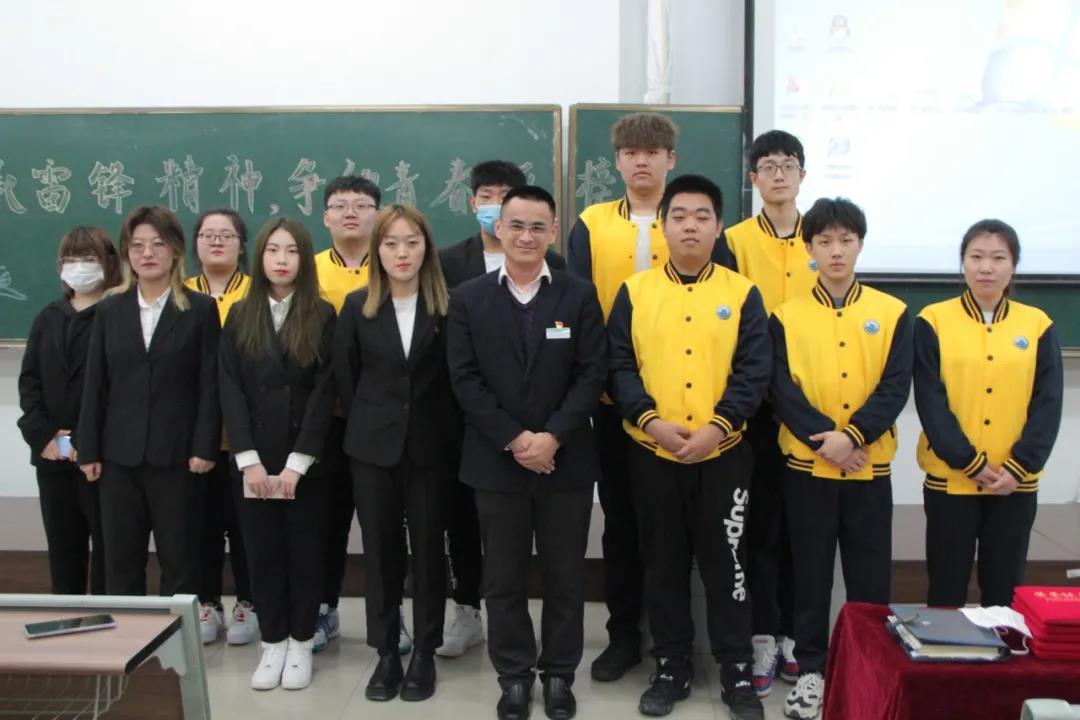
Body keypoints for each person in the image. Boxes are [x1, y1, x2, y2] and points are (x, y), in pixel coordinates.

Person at [608, 174, 769, 720]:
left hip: (724, 454)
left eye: (702, 216)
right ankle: (671, 665)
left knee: (729, 563)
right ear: (663, 226)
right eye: (678, 216)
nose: (690, 226)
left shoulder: (742, 293)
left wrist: (717, 428)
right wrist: (651, 422)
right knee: (663, 564)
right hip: (653, 453)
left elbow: (753, 371)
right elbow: (618, 366)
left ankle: (736, 669)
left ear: (719, 226)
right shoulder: (635, 291)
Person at [448, 186, 607, 720]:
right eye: (516, 225)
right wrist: (516, 440)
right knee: (503, 578)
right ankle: (514, 676)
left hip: (566, 461)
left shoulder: (578, 294)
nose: (526, 236)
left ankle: (559, 675)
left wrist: (553, 436)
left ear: (553, 231)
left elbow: (592, 373)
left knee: (565, 577)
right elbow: (464, 379)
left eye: (538, 226)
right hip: (496, 462)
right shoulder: (469, 297)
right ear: (499, 227)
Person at [769, 198, 912, 720]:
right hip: (808, 469)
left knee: (870, 578)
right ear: (808, 248)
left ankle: (872, 671)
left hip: (869, 468)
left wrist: (851, 437)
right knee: (809, 574)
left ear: (860, 245)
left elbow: (895, 386)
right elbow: (780, 389)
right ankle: (811, 670)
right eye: (824, 241)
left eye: (845, 240)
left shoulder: (892, 312)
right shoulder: (785, 316)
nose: (835, 251)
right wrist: (825, 442)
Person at [566, 112, 690, 682]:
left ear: (670, 159)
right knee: (621, 523)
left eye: (653, 152)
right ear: (616, 161)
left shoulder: (689, 219)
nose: (642, 161)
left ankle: (673, 640)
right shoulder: (591, 224)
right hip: (612, 403)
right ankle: (623, 636)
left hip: (684, 408)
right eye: (631, 152)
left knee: (672, 526)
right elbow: (578, 309)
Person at [436, 159, 565, 658]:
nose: (495, 206)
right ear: (475, 203)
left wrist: (543, 437)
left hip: (545, 435)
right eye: (486, 196)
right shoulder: (449, 264)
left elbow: (579, 363)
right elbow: (454, 357)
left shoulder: (561, 272)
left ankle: (548, 650)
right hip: (469, 425)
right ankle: (467, 611)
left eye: (504, 195)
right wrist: (504, 432)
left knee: (535, 551)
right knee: (466, 525)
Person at [336, 205, 455, 702]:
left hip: (431, 448)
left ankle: (425, 650)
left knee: (428, 551)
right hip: (372, 449)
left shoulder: (448, 306)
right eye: (390, 244)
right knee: (381, 553)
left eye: (412, 242)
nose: (402, 253)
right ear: (376, 250)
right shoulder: (356, 306)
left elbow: (456, 379)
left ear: (427, 247)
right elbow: (346, 380)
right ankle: (387, 651)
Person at [914, 219, 1063, 609]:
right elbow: (931, 401)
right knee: (946, 588)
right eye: (976, 257)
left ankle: (1003, 652)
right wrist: (968, 461)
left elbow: (1048, 404)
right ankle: (945, 651)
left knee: (1004, 593)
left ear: (1013, 265)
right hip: (951, 481)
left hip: (1014, 483)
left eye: (998, 258)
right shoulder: (933, 320)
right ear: (962, 262)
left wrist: (1020, 466)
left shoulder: (1037, 324)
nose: (986, 268)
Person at [77, 205, 220, 597]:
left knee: (180, 560)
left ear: (176, 250)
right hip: (118, 457)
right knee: (121, 561)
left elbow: (210, 384)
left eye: (158, 244)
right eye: (137, 245)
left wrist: (204, 446)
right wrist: (88, 449)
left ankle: (176, 637)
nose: (147, 253)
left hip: (178, 457)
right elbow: (96, 384)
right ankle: (127, 634)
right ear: (127, 252)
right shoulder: (110, 308)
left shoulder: (200, 309)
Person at [218, 217, 336, 691]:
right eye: (272, 250)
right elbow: (229, 390)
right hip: (253, 464)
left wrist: (296, 465)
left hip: (305, 464)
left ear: (304, 259)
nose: (281, 260)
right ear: (259, 256)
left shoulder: (323, 315)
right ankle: (273, 642)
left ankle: (301, 641)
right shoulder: (239, 315)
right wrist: (248, 461)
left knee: (305, 554)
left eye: (291, 251)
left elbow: (325, 394)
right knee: (262, 554)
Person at [721, 130, 817, 695]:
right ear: (753, 177)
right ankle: (761, 634)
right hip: (754, 406)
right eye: (768, 166)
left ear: (802, 174)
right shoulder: (733, 240)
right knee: (758, 527)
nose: (779, 174)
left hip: (810, 409)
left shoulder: (824, 237)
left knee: (801, 529)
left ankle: (794, 636)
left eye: (789, 164)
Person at [312, 175, 410, 654]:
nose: (350, 213)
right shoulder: (307, 270)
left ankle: (394, 620)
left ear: (379, 215)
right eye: (339, 205)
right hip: (322, 423)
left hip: (384, 427)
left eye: (362, 205)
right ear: (325, 216)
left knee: (385, 529)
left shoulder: (398, 267)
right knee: (325, 523)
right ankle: (322, 610)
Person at [18, 226, 120, 595]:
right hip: (52, 457)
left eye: (89, 258)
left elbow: (124, 388)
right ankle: (67, 618)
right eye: (70, 259)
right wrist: (43, 436)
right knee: (64, 553)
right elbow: (30, 382)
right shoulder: (47, 317)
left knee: (111, 553)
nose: (79, 266)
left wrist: (86, 439)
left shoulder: (118, 315)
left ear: (109, 262)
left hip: (103, 457)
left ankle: (109, 620)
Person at [184, 208, 257, 646]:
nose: (216, 242)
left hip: (247, 435)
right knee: (200, 525)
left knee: (246, 526)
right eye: (207, 235)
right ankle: (207, 603)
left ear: (241, 245)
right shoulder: (179, 295)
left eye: (226, 235)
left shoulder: (257, 292)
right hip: (194, 437)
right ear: (194, 243)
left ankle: (249, 602)